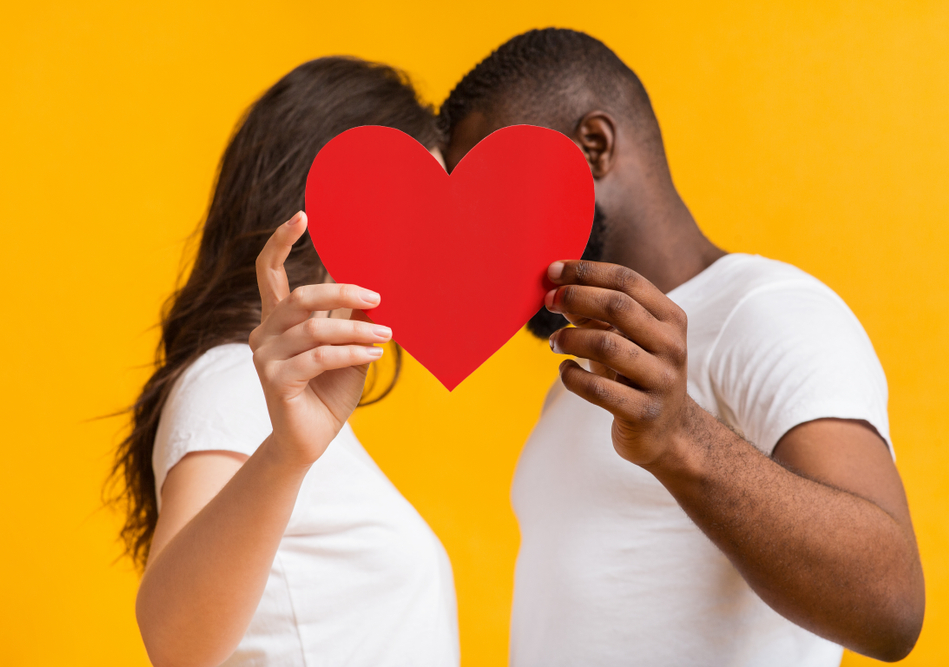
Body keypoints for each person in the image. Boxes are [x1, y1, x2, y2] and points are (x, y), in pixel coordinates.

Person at [441, 28, 924, 666]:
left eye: (494, 197)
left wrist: (681, 438)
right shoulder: (595, 369)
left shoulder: (770, 312)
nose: (479, 243)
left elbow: (892, 609)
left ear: (593, 147)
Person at [110, 57, 458, 667]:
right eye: (421, 208)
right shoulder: (234, 383)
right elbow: (176, 644)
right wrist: (285, 454)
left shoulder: (267, 391)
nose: (438, 248)